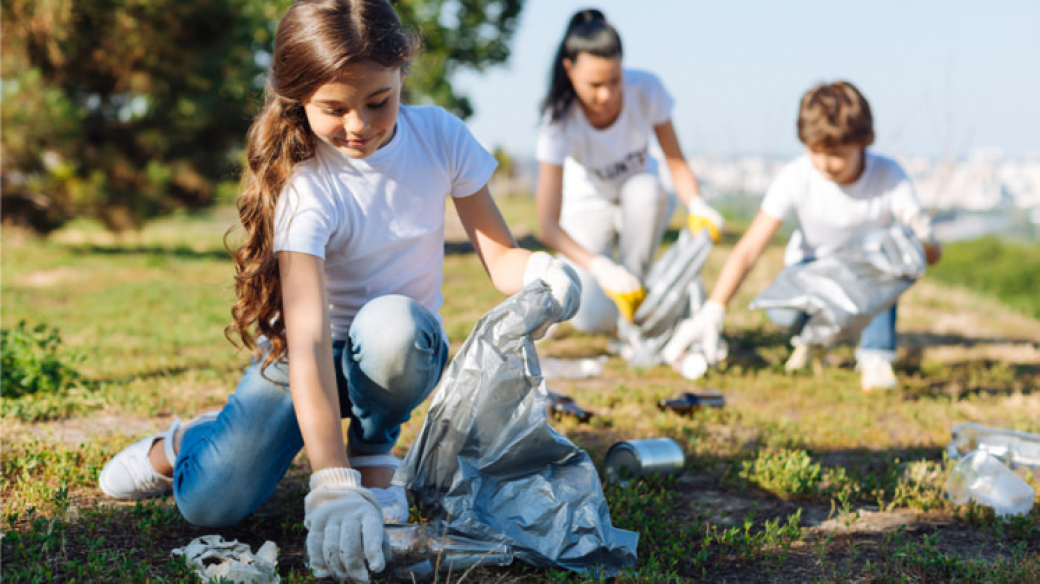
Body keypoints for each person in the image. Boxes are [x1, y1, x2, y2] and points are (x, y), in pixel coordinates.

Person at [96, 1, 581, 581]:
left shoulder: (441, 137)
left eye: (379, 101)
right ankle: (188, 441)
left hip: (394, 353)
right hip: (305, 358)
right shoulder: (306, 186)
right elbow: (306, 343)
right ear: (297, 99)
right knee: (210, 506)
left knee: (395, 327)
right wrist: (328, 482)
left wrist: (539, 272)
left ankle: (373, 448)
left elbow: (500, 257)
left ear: (401, 73)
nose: (360, 125)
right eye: (334, 108)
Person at [664, 80, 942, 391]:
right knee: (781, 313)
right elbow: (749, 249)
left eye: (836, 154)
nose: (824, 164)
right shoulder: (797, 176)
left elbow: (928, 256)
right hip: (811, 271)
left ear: (863, 141)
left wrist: (921, 239)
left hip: (867, 274)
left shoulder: (888, 176)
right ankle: (815, 339)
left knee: (888, 255)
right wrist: (714, 308)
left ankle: (875, 356)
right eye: (815, 152)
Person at [533, 8, 725, 335]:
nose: (606, 95)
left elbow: (675, 162)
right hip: (588, 206)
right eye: (594, 84)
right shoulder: (559, 122)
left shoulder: (647, 89)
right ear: (569, 69)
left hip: (641, 200)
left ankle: (639, 296)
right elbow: (547, 226)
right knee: (593, 319)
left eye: (614, 81)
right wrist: (601, 267)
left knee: (646, 190)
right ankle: (620, 298)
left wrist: (696, 203)